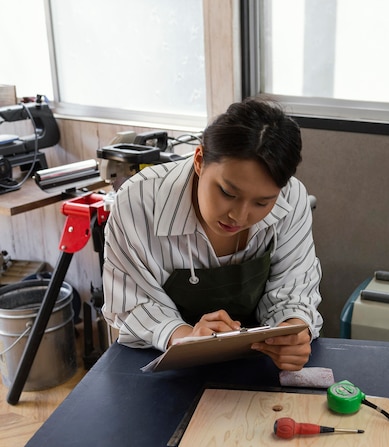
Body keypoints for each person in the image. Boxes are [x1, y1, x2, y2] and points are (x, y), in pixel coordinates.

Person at [101, 98, 323, 371]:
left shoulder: (291, 198)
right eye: (228, 193)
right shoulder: (138, 202)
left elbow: (295, 288)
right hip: (162, 362)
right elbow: (131, 303)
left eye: (262, 203)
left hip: (257, 359)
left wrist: (292, 331)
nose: (239, 217)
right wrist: (186, 337)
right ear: (199, 161)